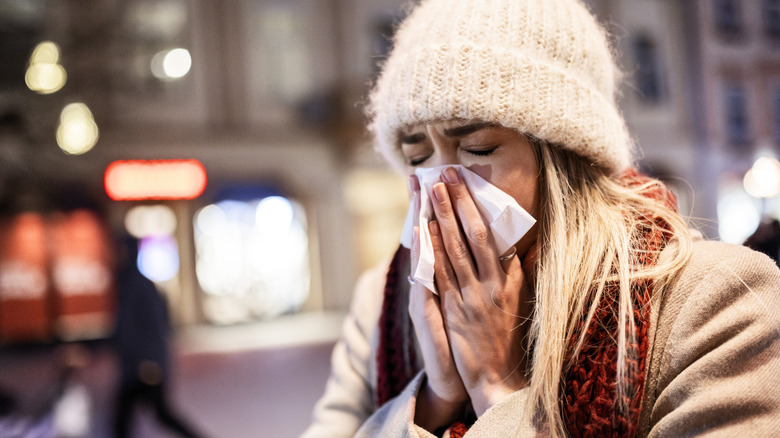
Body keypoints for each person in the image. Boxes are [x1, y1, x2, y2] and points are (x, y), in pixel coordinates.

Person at [301, 0, 780, 436]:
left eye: (477, 147)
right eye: (417, 154)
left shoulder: (719, 304)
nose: (440, 185)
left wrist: (497, 389)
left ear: (563, 156)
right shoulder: (379, 305)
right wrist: (433, 402)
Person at [112, 236, 205, 438]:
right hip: (134, 365)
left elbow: (154, 328)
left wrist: (150, 361)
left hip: (144, 366)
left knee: (154, 414)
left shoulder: (140, 286)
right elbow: (123, 329)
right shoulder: (125, 285)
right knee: (127, 419)